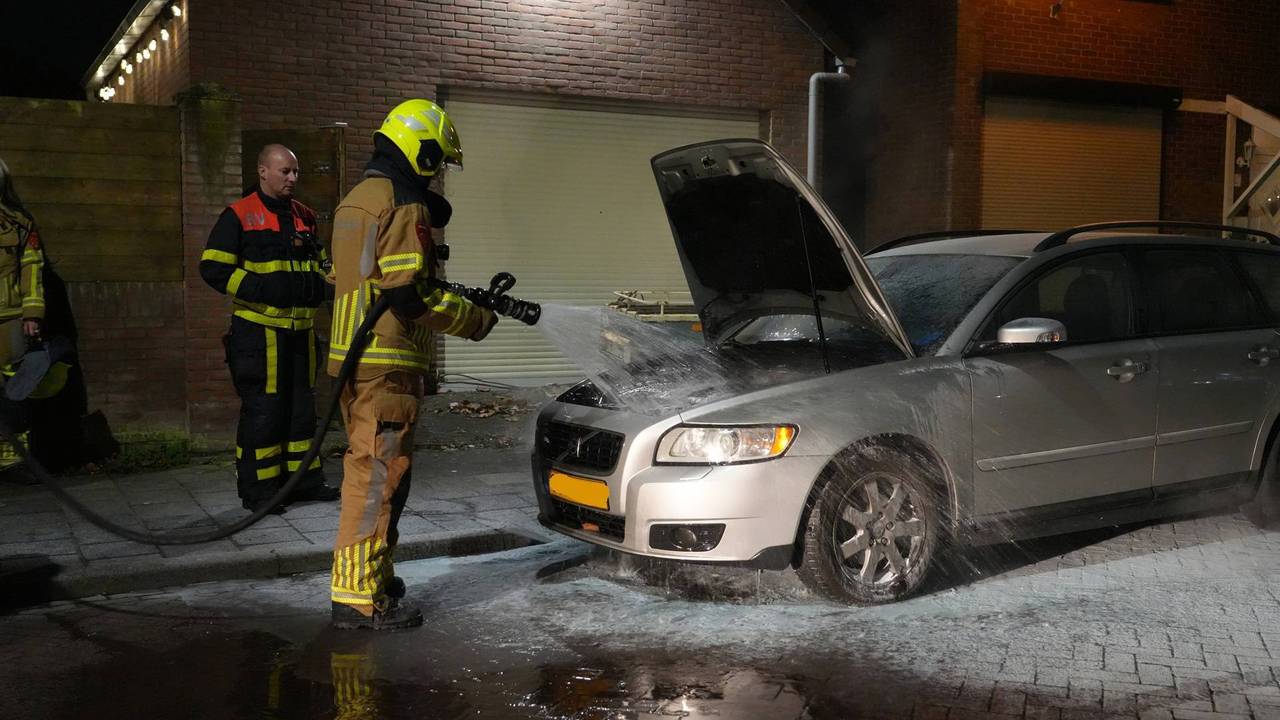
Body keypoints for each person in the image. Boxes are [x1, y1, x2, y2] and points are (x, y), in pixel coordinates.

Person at [327, 99, 497, 630]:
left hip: (352, 363)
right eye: (439, 161)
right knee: (378, 480)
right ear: (420, 151)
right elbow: (407, 295)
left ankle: (372, 577)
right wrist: (472, 318)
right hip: (388, 365)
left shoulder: (357, 198)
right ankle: (358, 597)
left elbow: (365, 279)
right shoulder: (403, 202)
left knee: (378, 477)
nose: (439, 172)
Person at [200, 144, 340, 513]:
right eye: (285, 172)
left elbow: (326, 267)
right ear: (263, 171)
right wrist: (263, 289)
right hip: (259, 334)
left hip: (301, 332)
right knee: (264, 411)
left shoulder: (305, 217)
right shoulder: (239, 215)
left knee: (301, 409)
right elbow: (213, 268)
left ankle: (303, 482)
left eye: (296, 172)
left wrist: (324, 287)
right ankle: (259, 491)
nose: (293, 178)